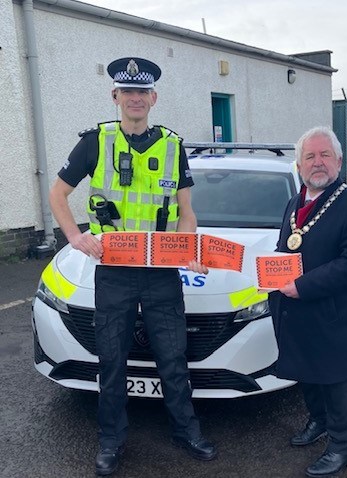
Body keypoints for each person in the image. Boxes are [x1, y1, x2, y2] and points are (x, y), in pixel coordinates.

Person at [49, 57, 217, 476]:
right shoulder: (95, 142)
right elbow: (58, 194)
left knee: (172, 357)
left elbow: (186, 212)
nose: (136, 98)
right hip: (115, 271)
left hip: (160, 272)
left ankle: (186, 430)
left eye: (143, 92)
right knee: (112, 359)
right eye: (128, 91)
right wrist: (75, 236)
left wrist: (187, 246)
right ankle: (111, 440)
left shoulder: (173, 146)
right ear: (116, 96)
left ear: (153, 98)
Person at [268, 126, 347, 477]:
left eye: (324, 155)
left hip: (334, 315)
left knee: (336, 383)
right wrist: (268, 273)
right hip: (297, 312)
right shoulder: (296, 201)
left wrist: (301, 286)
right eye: (310, 157)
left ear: (338, 160)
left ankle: (342, 449)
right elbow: (285, 250)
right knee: (308, 375)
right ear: (299, 164)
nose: (317, 163)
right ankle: (317, 422)